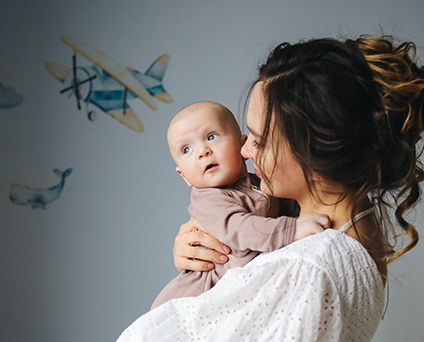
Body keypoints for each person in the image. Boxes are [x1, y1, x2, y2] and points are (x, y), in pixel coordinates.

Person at [116, 35, 423, 341]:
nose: (245, 151)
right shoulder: (360, 224)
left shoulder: (306, 267)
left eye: (258, 139)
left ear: (312, 150)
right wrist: (204, 251)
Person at [151, 101, 330, 309]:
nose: (202, 151)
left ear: (242, 145)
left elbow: (290, 208)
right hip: (197, 297)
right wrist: (293, 229)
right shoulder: (209, 200)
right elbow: (241, 229)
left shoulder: (260, 183)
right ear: (184, 176)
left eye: (211, 137)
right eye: (187, 149)